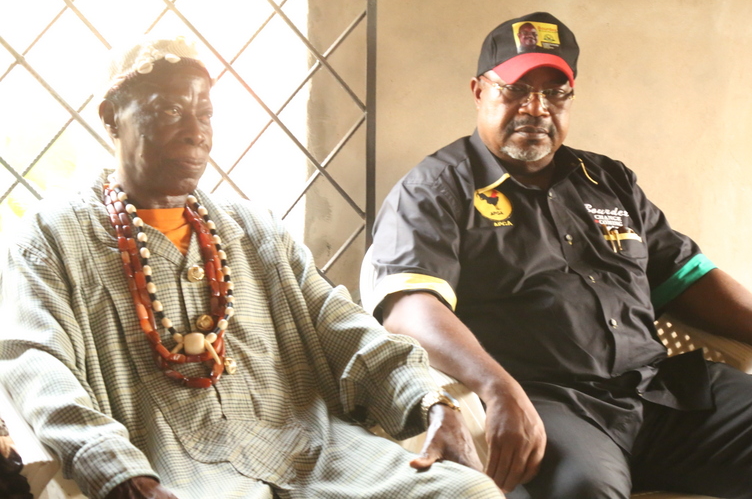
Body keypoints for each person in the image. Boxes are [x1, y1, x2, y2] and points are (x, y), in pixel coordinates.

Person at [0, 36, 504, 499]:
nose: (196, 133)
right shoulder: (52, 237)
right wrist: (120, 474)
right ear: (112, 117)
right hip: (174, 475)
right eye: (171, 110)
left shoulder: (251, 227)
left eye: (204, 114)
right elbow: (37, 364)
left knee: (468, 493)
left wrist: (431, 401)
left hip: (320, 456)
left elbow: (344, 328)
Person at [369, 11, 752, 498]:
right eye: (516, 89)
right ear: (478, 91)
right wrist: (496, 387)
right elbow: (409, 308)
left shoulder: (608, 181)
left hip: (661, 392)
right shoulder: (436, 189)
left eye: (555, 93)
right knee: (583, 491)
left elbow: (686, 277)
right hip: (549, 405)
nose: (536, 108)